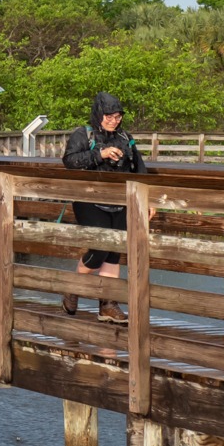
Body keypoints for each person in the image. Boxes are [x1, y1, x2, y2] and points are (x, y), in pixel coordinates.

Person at [60, 91, 146, 321]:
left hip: (120, 202)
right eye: (109, 116)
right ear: (99, 114)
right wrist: (101, 154)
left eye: (117, 116)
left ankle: (108, 305)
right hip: (89, 200)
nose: (113, 121)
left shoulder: (125, 136)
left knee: (115, 251)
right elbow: (70, 161)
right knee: (99, 248)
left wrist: (150, 201)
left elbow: (140, 169)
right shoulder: (83, 134)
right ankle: (74, 287)